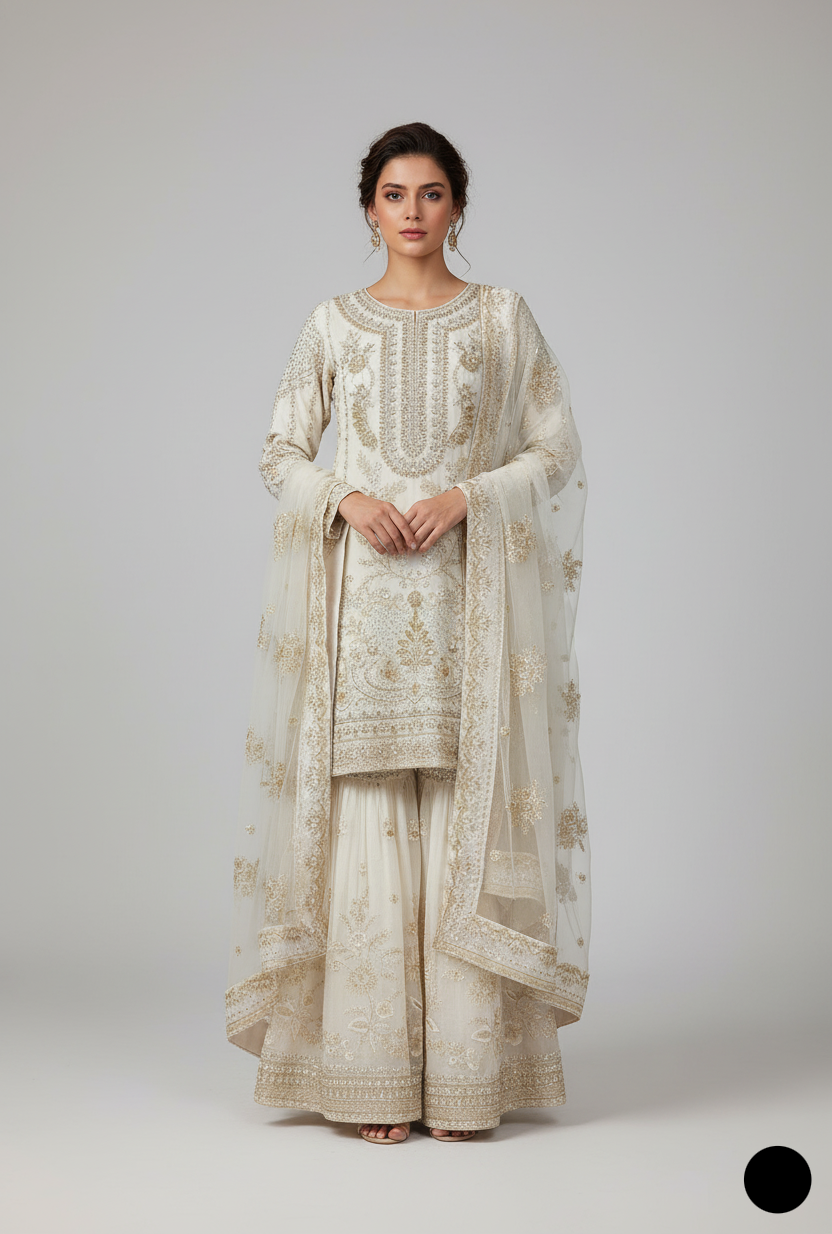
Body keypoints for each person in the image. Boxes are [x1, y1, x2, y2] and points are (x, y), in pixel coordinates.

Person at [225, 122, 591, 1144]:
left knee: (469, 814)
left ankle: (469, 1083)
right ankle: (372, 1079)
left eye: (432, 194)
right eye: (395, 195)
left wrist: (469, 496)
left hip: (472, 607)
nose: (413, 212)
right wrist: (344, 498)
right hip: (364, 614)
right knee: (369, 823)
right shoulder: (333, 325)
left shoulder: (502, 318)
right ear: (369, 209)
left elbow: (555, 449)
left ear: (458, 207)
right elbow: (280, 451)